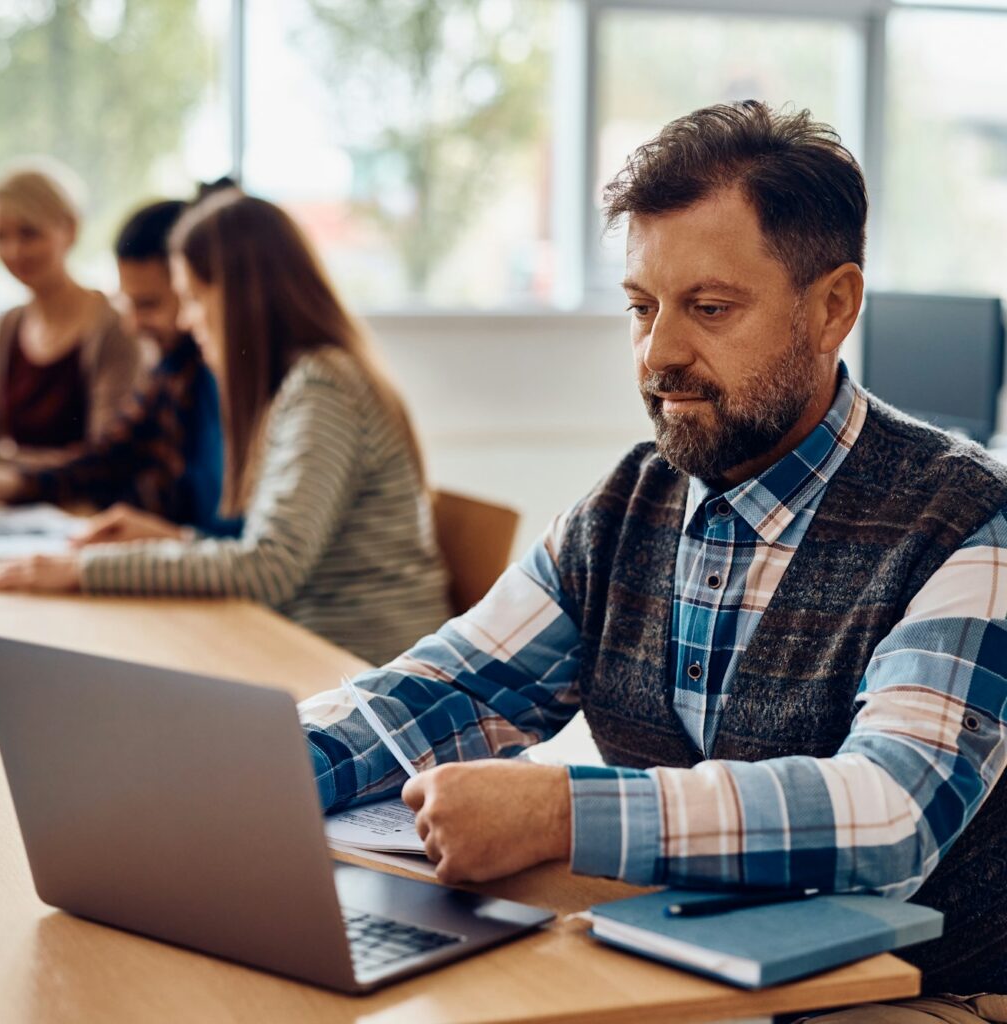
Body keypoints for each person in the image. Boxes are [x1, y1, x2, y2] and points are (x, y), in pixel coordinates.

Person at [293, 102, 1006, 1020]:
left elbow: (892, 811)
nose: (659, 353)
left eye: (710, 309)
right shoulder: (632, 500)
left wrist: (560, 811)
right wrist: (257, 768)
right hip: (685, 966)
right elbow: (455, 687)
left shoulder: (964, 518)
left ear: (832, 308)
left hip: (921, 994)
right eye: (641, 307)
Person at [0, 190, 451, 666]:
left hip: (357, 665)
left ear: (239, 298)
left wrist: (82, 570)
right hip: (299, 640)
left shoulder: (324, 386)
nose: (186, 318)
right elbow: (271, 554)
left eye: (190, 298)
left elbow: (270, 567)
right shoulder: (297, 382)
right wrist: (179, 543)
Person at [0, 198, 239, 535]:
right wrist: (15, 485)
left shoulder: (234, 381)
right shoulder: (172, 371)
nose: (131, 325)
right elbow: (110, 457)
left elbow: (247, 551)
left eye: (148, 304)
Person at [0, 163, 142, 458]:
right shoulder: (10, 324)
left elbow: (105, 456)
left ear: (70, 229)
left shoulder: (113, 325)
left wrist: (13, 472)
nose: (14, 251)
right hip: (24, 502)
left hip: (84, 504)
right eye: (1, 237)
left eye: (29, 234)